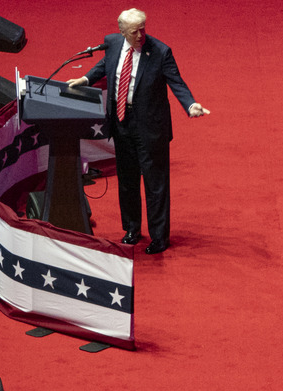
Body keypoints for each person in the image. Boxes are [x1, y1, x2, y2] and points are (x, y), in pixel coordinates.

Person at [68, 8, 210, 254]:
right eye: (135, 31)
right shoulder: (112, 43)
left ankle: (159, 238)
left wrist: (190, 104)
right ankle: (132, 228)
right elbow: (104, 65)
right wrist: (85, 79)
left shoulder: (160, 51)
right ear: (122, 30)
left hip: (151, 128)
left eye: (143, 28)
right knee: (127, 181)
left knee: (155, 185)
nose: (141, 34)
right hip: (122, 122)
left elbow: (176, 81)